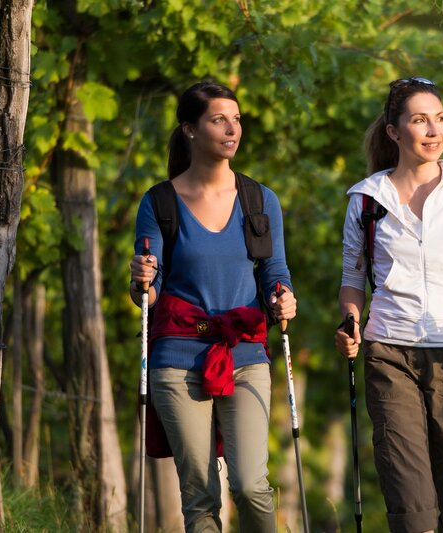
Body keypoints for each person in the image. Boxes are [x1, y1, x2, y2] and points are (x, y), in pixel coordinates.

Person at [334, 77, 443, 533]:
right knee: (410, 502)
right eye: (420, 120)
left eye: (440, 118)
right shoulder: (366, 199)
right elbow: (353, 280)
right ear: (394, 132)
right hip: (388, 351)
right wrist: (349, 323)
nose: (434, 130)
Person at [130, 81, 296, 533]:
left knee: (250, 485)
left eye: (236, 119)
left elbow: (274, 270)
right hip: (177, 358)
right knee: (200, 495)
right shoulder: (160, 202)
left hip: (245, 353)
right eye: (219, 119)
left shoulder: (259, 199)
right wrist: (142, 279)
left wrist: (283, 296)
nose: (232, 129)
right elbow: (148, 292)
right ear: (190, 128)